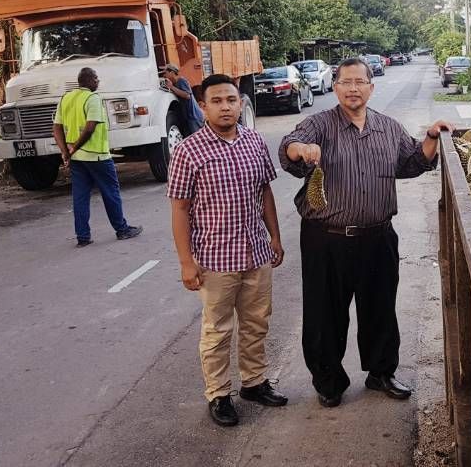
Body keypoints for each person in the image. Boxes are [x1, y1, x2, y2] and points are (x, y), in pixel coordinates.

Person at [279, 57, 454, 408]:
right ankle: (328, 381)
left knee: (380, 309)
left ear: (371, 88)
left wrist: (431, 137)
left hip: (378, 237)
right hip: (325, 237)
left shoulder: (388, 128)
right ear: (335, 86)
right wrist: (301, 150)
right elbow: (290, 146)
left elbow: (412, 162)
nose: (353, 88)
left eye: (360, 82)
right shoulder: (319, 125)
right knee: (324, 314)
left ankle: (381, 372)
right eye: (346, 82)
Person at [167, 73, 288, 427]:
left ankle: (253, 383)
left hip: (255, 252)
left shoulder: (254, 142)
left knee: (256, 323)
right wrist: (186, 262)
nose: (225, 107)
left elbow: (265, 193)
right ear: (202, 106)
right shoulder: (189, 150)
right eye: (217, 101)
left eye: (231, 100)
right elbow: (180, 209)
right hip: (216, 260)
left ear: (241, 104)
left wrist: (275, 237)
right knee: (217, 330)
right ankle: (219, 394)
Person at [52, 67, 143, 248]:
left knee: (80, 197)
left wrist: (66, 151)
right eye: (96, 78)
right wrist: (75, 147)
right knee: (111, 193)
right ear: (90, 80)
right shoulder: (93, 98)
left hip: (77, 158)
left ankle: (83, 237)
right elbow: (90, 127)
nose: (98, 81)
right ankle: (122, 229)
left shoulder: (66, 98)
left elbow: (56, 128)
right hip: (97, 156)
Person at [163, 64, 204, 134]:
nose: (164, 75)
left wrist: (172, 87)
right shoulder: (175, 84)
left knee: (198, 138)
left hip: (194, 116)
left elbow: (187, 95)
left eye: (165, 73)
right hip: (188, 117)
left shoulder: (181, 81)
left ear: (172, 73)